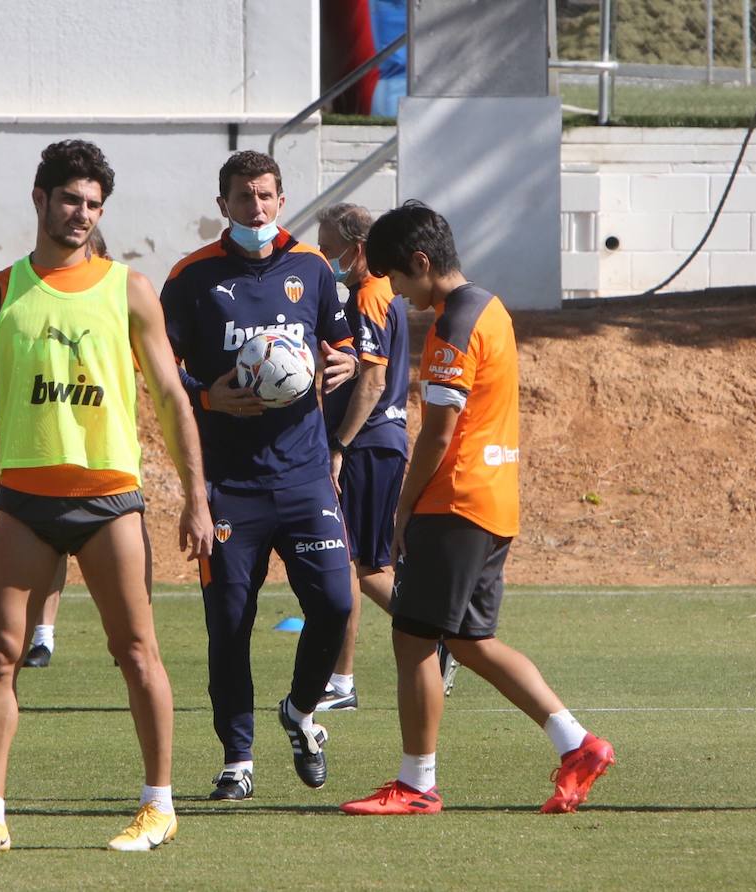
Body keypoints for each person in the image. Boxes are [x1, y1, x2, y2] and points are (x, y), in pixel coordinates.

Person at [0, 140, 214, 853]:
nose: (81, 214)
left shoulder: (130, 288)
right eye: (70, 200)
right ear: (40, 199)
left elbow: (173, 398)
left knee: (137, 650)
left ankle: (159, 805)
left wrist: (195, 497)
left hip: (110, 497)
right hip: (24, 499)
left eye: (92, 205)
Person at [340, 202, 615, 816]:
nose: (399, 294)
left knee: (413, 641)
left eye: (398, 279)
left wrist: (403, 509)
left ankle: (416, 786)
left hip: (455, 501)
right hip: (492, 502)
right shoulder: (488, 306)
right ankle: (578, 745)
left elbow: (439, 432)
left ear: (420, 262)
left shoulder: (453, 324)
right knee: (470, 641)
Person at [160, 150, 358, 802]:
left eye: (267, 196)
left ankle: (301, 712)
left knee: (335, 603)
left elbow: (344, 346)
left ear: (281, 198)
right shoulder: (191, 278)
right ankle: (237, 758)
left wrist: (343, 366)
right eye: (244, 198)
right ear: (224, 204)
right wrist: (208, 395)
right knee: (230, 622)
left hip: (303, 477)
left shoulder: (312, 269)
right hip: (229, 485)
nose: (257, 208)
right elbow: (162, 372)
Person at [313, 203, 408, 712]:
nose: (326, 256)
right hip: (375, 444)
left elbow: (372, 379)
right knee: (361, 565)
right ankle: (438, 635)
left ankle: (343, 682)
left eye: (331, 247)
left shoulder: (371, 295)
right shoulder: (375, 294)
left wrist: (339, 446)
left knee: (354, 566)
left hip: (367, 446)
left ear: (359, 246)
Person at [23, 230, 109, 671]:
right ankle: (42, 635)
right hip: (47, 458)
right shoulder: (27, 299)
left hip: (105, 472)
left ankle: (125, 640)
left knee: (125, 576)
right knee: (51, 553)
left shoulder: (117, 301)